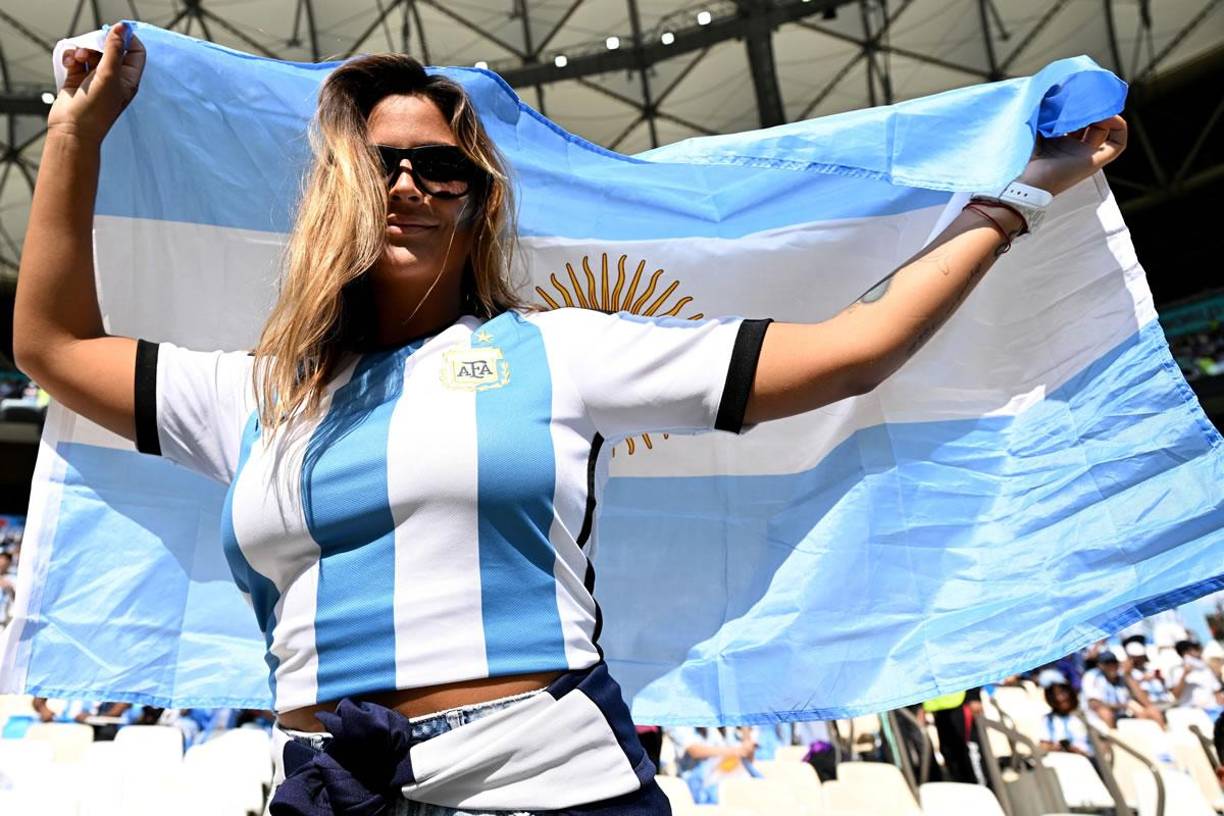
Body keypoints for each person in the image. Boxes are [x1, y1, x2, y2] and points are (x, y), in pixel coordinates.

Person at [13, 20, 1128, 815]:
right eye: (378, 161)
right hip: (323, 788)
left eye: (439, 167)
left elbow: (850, 351)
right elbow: (52, 346)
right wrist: (78, 133)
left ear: (478, 198)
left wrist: (1018, 199)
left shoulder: (559, 350)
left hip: (552, 788)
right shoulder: (253, 393)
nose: (405, 184)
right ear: (335, 189)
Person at [665, 726, 758, 804]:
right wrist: (737, 751)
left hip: (723, 779)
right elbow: (695, 751)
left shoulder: (713, 723)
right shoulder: (677, 721)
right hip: (697, 786)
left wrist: (746, 735)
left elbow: (747, 755)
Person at [1081, 651, 1164, 730]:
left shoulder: (1124, 674)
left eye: (1114, 662)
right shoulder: (1092, 677)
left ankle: (1163, 737)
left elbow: (1145, 701)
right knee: (1105, 713)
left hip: (1127, 712)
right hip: (1107, 715)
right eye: (1107, 663)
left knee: (1152, 710)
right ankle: (1113, 743)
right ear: (1100, 665)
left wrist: (1128, 676)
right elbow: (1095, 704)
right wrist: (1123, 706)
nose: (1111, 666)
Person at [1169, 640, 1224, 718]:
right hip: (1193, 713)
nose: (1198, 651)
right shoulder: (1176, 671)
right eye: (1195, 649)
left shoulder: (1205, 669)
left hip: (1213, 710)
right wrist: (1184, 675)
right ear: (1187, 652)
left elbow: (1217, 693)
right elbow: (1176, 695)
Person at [1039, 683, 1094, 758]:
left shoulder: (1087, 715)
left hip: (1089, 758)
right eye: (1054, 695)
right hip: (1063, 759)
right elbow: (1043, 745)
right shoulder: (1048, 720)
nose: (1060, 698)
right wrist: (1057, 748)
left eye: (1063, 692)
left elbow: (1103, 741)